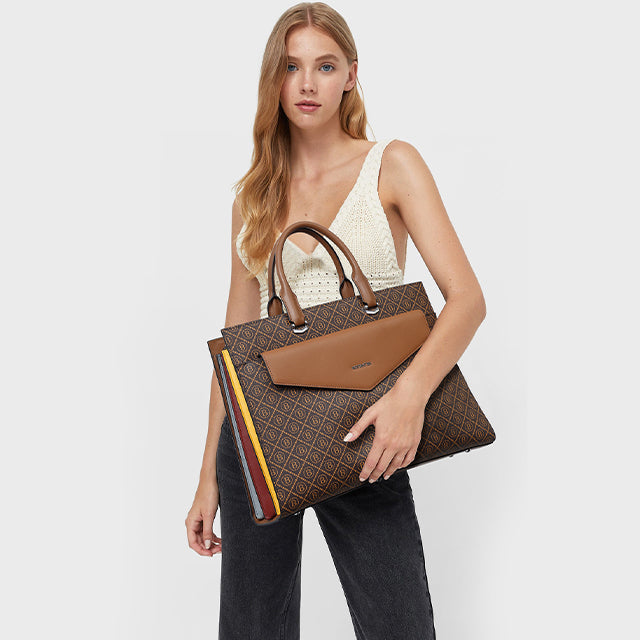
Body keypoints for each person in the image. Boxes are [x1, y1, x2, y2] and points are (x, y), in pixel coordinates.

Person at [186, 3, 487, 638]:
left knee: (399, 625)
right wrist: (208, 475)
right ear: (273, 79)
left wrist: (408, 399)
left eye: (325, 66)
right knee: (251, 628)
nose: (307, 83)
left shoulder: (392, 163)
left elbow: (466, 299)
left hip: (368, 422)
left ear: (351, 74)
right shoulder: (253, 196)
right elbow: (234, 349)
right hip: (259, 438)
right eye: (291, 67)